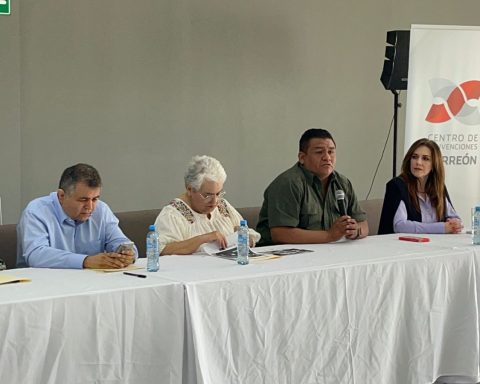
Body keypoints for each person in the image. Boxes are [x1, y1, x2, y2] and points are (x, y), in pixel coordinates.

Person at [256, 128, 368, 246]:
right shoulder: (288, 183)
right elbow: (280, 234)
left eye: (331, 152)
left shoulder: (343, 183)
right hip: (283, 256)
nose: (327, 157)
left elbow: (363, 224)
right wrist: (330, 235)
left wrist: (355, 231)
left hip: (329, 251)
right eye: (319, 152)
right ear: (302, 157)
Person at [17, 163, 137, 269]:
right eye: (83, 199)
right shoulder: (36, 211)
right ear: (61, 196)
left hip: (91, 283)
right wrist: (86, 261)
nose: (90, 206)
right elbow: (36, 255)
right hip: (42, 284)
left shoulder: (101, 209)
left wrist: (127, 254)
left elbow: (120, 241)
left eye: (95, 199)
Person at [154, 155, 261, 255]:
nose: (214, 201)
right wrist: (202, 239)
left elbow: (248, 234)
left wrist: (247, 240)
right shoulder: (172, 214)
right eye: (207, 195)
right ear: (190, 189)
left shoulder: (222, 206)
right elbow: (161, 250)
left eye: (218, 193)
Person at [378, 138, 462, 234]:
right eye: (414, 157)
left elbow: (453, 216)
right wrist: (440, 228)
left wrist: (455, 223)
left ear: (434, 164)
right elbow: (399, 226)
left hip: (434, 245)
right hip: (401, 246)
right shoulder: (397, 185)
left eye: (425, 158)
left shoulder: (438, 186)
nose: (418, 162)